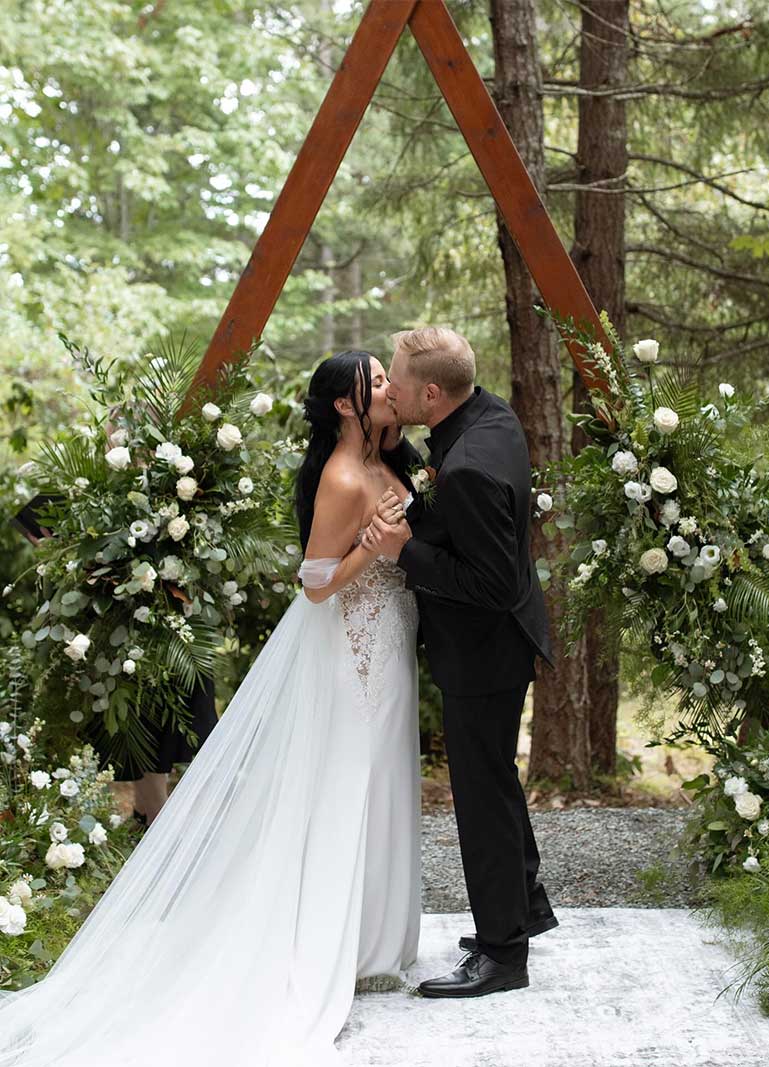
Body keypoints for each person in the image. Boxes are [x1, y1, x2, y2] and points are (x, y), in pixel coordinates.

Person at [0, 350, 425, 1065]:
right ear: (346, 404)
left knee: (379, 780)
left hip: (385, 639)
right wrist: (380, 549)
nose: (387, 387)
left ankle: (370, 938)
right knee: (344, 786)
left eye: (387, 376)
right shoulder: (343, 475)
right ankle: (323, 937)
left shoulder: (383, 456)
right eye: (376, 380)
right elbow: (316, 582)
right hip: (350, 646)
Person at [362, 325, 558, 999]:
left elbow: (491, 584)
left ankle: (504, 955)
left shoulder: (469, 463)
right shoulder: (486, 414)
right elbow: (460, 521)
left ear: (433, 392)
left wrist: (402, 553)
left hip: (484, 653)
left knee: (481, 798)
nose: (388, 386)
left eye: (397, 380)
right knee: (496, 782)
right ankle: (520, 913)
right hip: (498, 645)